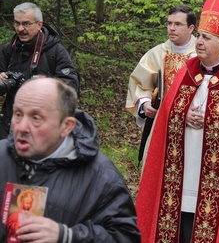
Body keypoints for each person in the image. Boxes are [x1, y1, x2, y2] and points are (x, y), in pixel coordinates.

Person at [135, 0, 219, 243]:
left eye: (206, 37)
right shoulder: (186, 70)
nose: (199, 42)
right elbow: (166, 115)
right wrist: (182, 117)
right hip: (182, 170)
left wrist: (213, 121)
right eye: (200, 37)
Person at [0, 77, 140, 242]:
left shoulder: (102, 178)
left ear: (66, 126)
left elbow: (125, 237)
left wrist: (67, 236)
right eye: (18, 114)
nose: (22, 127)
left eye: (36, 118)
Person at [0, 2, 79, 139]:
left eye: (26, 24)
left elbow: (71, 87)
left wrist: (42, 88)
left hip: (42, 124)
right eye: (17, 23)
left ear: (39, 25)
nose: (20, 29)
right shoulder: (8, 49)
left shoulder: (56, 51)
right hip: (10, 120)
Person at [125, 5, 197, 131]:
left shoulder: (201, 55)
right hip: (161, 121)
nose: (172, 28)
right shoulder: (158, 53)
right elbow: (140, 83)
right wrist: (145, 103)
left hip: (191, 124)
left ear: (190, 28)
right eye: (169, 23)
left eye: (178, 24)